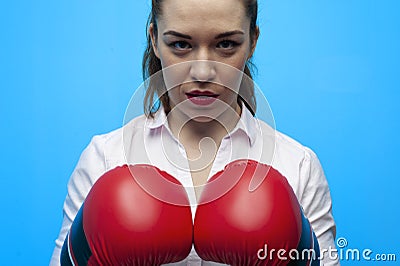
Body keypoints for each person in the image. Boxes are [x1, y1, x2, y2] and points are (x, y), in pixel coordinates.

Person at [51, 0, 339, 265]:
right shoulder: (104, 157)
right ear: (154, 39)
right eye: (180, 44)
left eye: (226, 44)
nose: (202, 71)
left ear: (252, 41)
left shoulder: (297, 165)